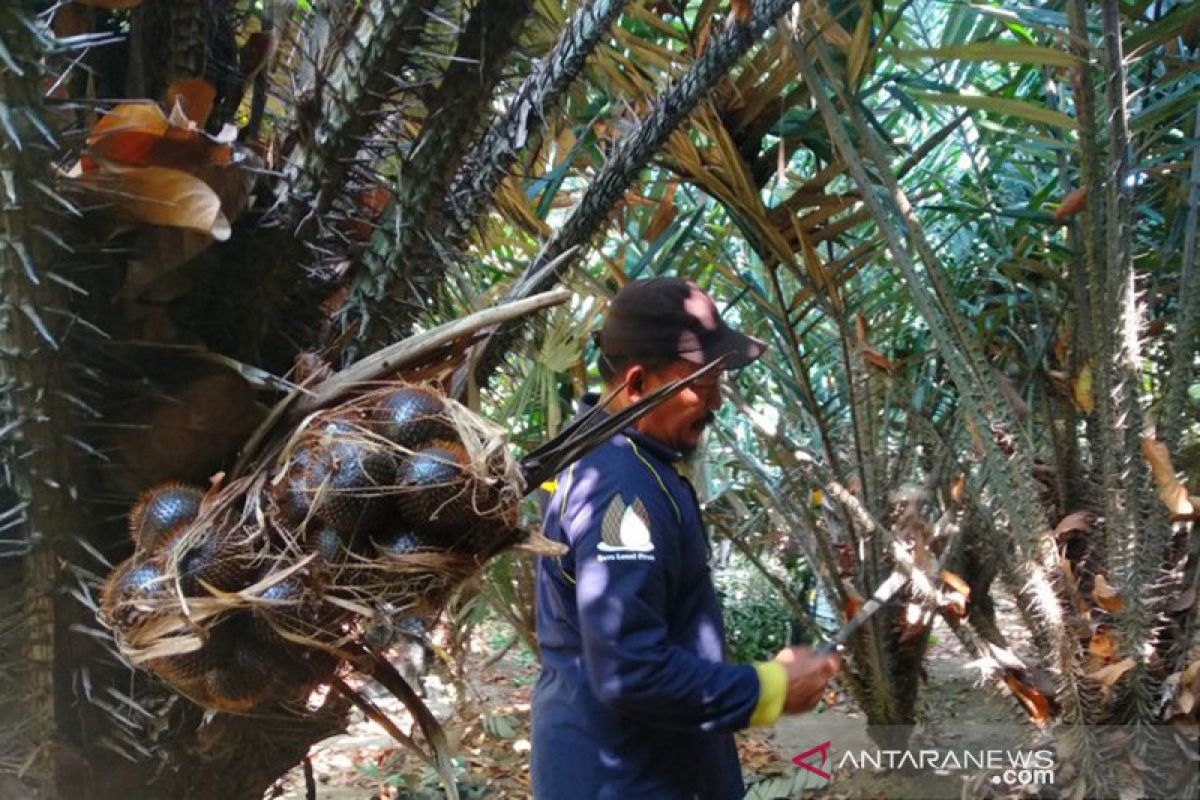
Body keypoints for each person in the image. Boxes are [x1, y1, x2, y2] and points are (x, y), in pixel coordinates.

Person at [530, 277, 840, 799]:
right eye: (702, 381)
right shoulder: (619, 488)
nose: (715, 400)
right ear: (636, 384)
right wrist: (772, 688)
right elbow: (630, 669)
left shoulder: (600, 458)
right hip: (629, 779)